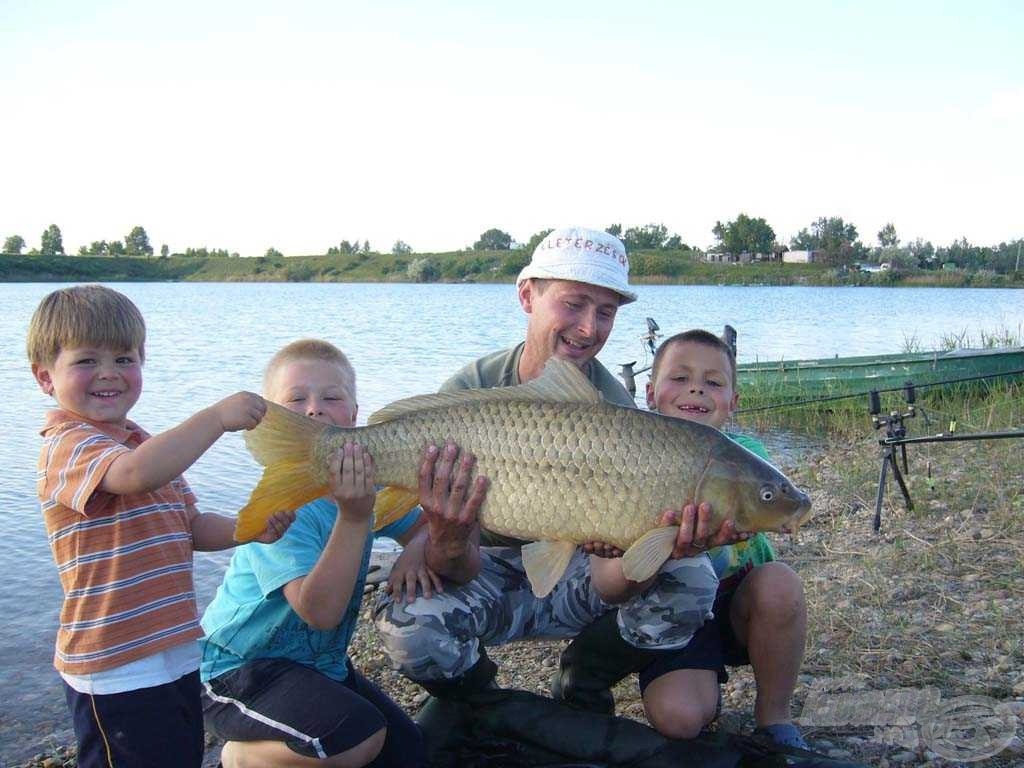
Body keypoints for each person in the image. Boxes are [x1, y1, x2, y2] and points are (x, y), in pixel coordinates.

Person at [374, 227, 741, 737]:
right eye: (574, 304)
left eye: (607, 312)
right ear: (528, 296)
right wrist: (438, 534)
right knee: (407, 623)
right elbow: (454, 564)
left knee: (693, 579)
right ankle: (478, 698)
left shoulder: (616, 411)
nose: (589, 328)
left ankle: (584, 675)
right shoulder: (469, 393)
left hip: (576, 575)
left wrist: (640, 550)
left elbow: (611, 582)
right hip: (486, 568)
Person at [27, 284, 294, 768]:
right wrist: (215, 418)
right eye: (87, 361)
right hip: (114, 666)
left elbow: (190, 526)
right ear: (45, 377)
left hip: (172, 651)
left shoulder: (144, 445)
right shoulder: (67, 444)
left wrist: (246, 529)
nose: (109, 373)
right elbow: (132, 477)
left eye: (125, 359)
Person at [199, 339, 488, 768]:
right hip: (237, 669)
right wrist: (355, 518)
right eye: (296, 400)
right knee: (353, 739)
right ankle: (239, 758)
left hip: (318, 666)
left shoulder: (365, 488)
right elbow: (320, 612)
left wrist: (416, 550)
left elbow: (424, 531)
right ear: (270, 422)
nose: (314, 409)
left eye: (331, 398)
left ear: (354, 415)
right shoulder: (285, 510)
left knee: (407, 750)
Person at [643, 329, 809, 749]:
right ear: (649, 393)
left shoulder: (745, 454)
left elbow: (772, 503)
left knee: (780, 582)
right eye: (679, 378)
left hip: (736, 602)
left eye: (713, 382)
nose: (696, 387)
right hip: (673, 609)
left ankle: (775, 718)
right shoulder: (635, 452)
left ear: (732, 403)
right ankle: (694, 683)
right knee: (680, 721)